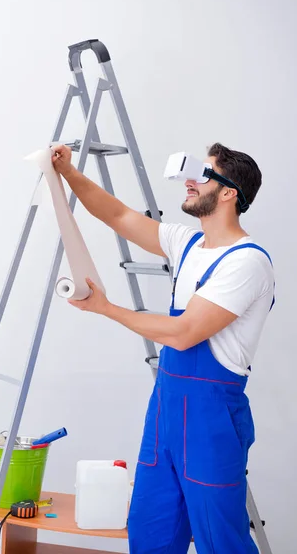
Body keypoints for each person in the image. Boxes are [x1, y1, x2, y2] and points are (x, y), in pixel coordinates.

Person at [51, 141, 275, 554]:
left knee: (219, 538)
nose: (190, 181)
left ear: (228, 193)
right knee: (151, 529)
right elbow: (118, 214)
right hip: (166, 412)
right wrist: (68, 172)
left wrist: (105, 308)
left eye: (204, 174)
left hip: (211, 420)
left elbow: (184, 332)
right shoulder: (186, 244)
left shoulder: (246, 262)